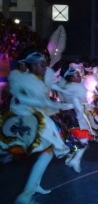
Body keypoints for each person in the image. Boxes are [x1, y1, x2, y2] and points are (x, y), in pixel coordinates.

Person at [0, 51, 72, 204]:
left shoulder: (24, 78)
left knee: (45, 152)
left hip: (24, 117)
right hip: (31, 120)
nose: (45, 68)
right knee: (47, 153)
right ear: (32, 65)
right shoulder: (33, 82)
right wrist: (59, 106)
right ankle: (26, 194)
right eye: (42, 65)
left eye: (45, 65)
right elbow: (42, 103)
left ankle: (34, 186)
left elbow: (9, 93)